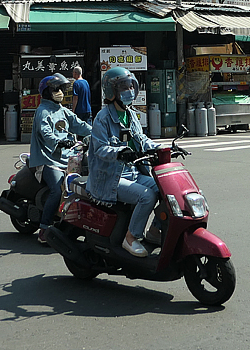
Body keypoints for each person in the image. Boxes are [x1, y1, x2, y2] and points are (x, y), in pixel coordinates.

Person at [88, 66, 160, 258]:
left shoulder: (130, 113)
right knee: (147, 196)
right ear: (111, 92)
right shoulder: (102, 118)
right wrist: (121, 152)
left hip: (134, 173)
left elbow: (141, 139)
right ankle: (131, 237)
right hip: (112, 177)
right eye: (123, 87)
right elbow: (100, 148)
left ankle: (155, 231)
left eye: (131, 86)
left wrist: (161, 148)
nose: (129, 91)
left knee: (165, 189)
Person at [29, 73, 92, 244]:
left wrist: (98, 132)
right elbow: (46, 133)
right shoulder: (42, 111)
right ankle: (44, 228)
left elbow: (79, 124)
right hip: (47, 159)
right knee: (57, 190)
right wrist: (59, 141)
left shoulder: (62, 110)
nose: (60, 93)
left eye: (61, 89)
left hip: (68, 157)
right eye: (56, 89)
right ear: (47, 92)